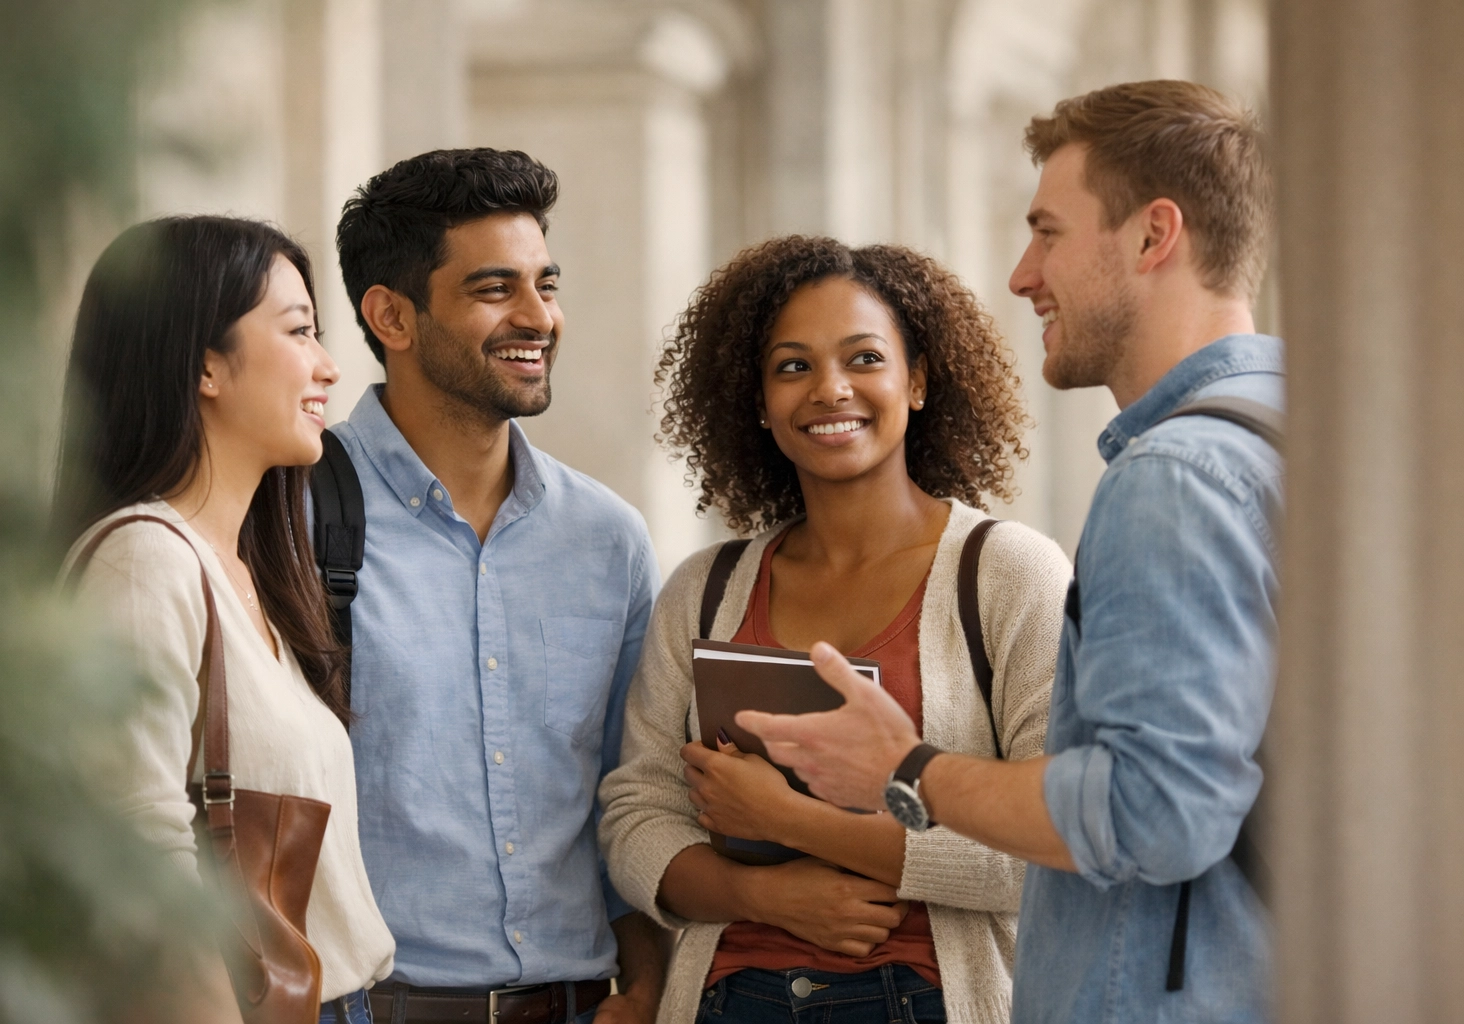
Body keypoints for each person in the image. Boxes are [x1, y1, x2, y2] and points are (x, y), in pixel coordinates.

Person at [738, 81, 1282, 1024]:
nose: (1023, 274)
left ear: (1156, 236)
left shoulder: (1176, 479)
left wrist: (905, 772)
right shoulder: (1293, 433)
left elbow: (1155, 813)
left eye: (1049, 232)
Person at [598, 236, 1072, 1024]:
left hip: (928, 999)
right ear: (756, 399)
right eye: (792, 366)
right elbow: (636, 812)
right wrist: (762, 894)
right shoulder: (705, 589)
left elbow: (1052, 845)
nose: (830, 389)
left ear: (916, 380)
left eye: (863, 359)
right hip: (725, 1000)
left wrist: (793, 822)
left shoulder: (1008, 575)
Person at [330, 148, 667, 1024]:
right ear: (392, 316)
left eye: (545, 285)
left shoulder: (608, 540)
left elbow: (628, 794)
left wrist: (651, 993)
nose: (538, 317)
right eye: (494, 290)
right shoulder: (288, 517)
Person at [55, 216, 396, 1024]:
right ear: (206, 365)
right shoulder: (146, 561)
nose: (327, 365)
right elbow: (143, 859)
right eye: (300, 331)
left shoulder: (250, 571)